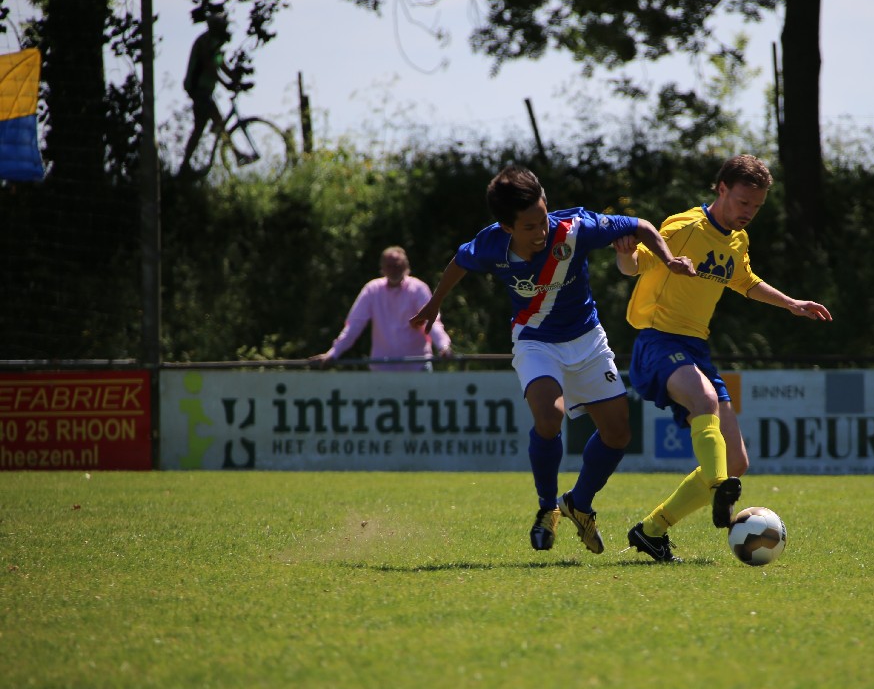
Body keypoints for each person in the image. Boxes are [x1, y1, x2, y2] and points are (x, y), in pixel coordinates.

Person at [409, 165, 696, 554]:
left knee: (618, 434)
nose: (541, 231)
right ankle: (547, 508)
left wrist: (668, 259)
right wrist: (434, 303)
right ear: (507, 227)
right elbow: (460, 262)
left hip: (587, 340)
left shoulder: (576, 228)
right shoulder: (491, 244)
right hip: (535, 341)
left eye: (543, 219)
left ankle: (579, 503)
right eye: (529, 227)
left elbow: (642, 226)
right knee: (549, 417)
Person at [615, 154, 832, 562]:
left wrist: (791, 303)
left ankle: (651, 531)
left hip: (696, 348)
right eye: (743, 202)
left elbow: (745, 281)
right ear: (721, 189)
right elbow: (634, 265)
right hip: (658, 340)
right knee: (705, 402)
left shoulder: (737, 239)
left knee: (737, 461)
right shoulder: (684, 227)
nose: (749, 212)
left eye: (757, 206)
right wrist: (625, 252)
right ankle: (719, 487)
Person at [311, 246, 452, 371]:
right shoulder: (372, 290)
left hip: (417, 366)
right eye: (389, 266)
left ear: (405, 266)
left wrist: (443, 346)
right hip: (383, 368)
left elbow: (431, 321)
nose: (393, 270)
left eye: (397, 265)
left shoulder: (418, 289)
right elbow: (354, 325)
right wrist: (333, 353)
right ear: (382, 268)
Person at [178, 12, 251, 176]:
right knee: (216, 122)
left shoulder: (214, 43)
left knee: (203, 127)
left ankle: (185, 166)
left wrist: (236, 81)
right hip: (198, 89)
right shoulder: (204, 42)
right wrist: (226, 84)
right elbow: (209, 66)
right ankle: (236, 155)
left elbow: (221, 64)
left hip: (205, 90)